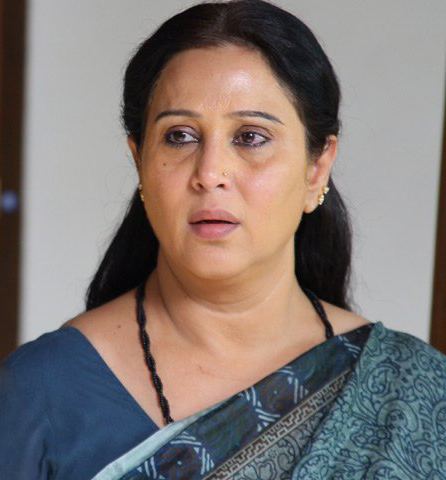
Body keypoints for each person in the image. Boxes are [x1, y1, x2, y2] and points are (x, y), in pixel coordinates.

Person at [1, 0, 445, 478]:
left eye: (251, 137)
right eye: (180, 136)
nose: (210, 173)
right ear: (140, 161)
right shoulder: (40, 393)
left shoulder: (413, 394)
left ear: (317, 166)